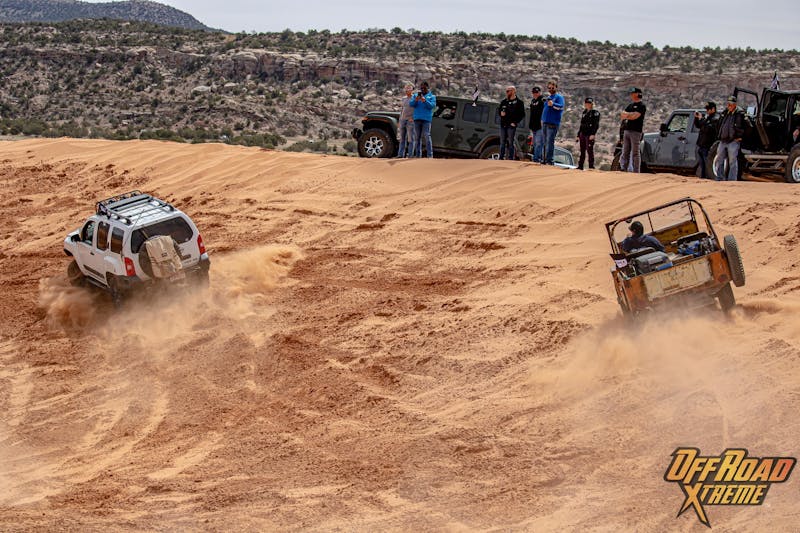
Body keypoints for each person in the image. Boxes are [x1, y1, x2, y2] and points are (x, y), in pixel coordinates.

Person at [714, 96, 745, 181]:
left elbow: (747, 127)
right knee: (719, 159)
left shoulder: (740, 114)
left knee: (732, 161)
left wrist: (740, 137)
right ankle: (719, 178)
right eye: (728, 103)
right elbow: (719, 124)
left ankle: (732, 180)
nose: (729, 105)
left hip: (733, 141)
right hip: (723, 140)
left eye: (730, 104)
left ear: (735, 104)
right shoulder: (725, 113)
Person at [619, 87, 647, 172]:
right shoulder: (630, 105)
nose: (631, 95)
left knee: (635, 152)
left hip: (636, 131)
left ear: (638, 94)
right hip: (627, 130)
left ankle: (636, 170)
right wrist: (630, 115)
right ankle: (624, 168)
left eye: (633, 93)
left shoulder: (642, 106)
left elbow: (636, 116)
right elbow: (622, 115)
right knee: (625, 151)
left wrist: (628, 115)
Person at [408, 81, 436, 158]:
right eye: (421, 88)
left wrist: (425, 101)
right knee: (417, 137)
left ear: (427, 88)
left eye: (424, 88)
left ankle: (430, 155)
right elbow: (411, 104)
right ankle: (418, 155)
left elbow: (432, 106)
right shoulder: (416, 95)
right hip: (417, 118)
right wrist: (416, 100)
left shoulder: (432, 96)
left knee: (427, 135)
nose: (422, 89)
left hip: (426, 119)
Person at [498, 86, 526, 160]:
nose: (507, 93)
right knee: (502, 142)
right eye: (506, 91)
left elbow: (522, 114)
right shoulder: (504, 101)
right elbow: (499, 111)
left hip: (511, 126)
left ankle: (510, 159)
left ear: (513, 91)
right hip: (503, 125)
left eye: (508, 91)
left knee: (511, 143)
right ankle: (501, 157)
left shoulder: (519, 103)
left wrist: (515, 122)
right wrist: (501, 113)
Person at [541, 80, 565, 165]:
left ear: (556, 87)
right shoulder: (548, 98)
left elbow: (561, 107)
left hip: (552, 124)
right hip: (545, 123)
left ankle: (549, 160)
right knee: (544, 142)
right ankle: (543, 159)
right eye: (549, 88)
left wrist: (553, 104)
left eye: (552, 87)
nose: (551, 89)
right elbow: (545, 109)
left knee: (549, 142)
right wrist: (542, 120)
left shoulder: (559, 97)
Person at [693, 101, 719, 179]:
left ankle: (707, 179)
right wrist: (696, 119)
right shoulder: (707, 118)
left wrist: (702, 119)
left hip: (708, 145)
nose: (707, 111)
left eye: (708, 109)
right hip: (701, 144)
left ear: (713, 109)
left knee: (707, 164)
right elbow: (699, 126)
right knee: (702, 165)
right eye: (706, 109)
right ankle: (703, 178)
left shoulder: (716, 119)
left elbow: (708, 129)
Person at [576, 97, 600, 170]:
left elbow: (596, 124)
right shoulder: (584, 112)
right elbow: (581, 124)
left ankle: (591, 166)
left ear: (592, 104)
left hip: (589, 134)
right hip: (583, 134)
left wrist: (593, 134)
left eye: (589, 103)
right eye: (586, 103)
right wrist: (578, 135)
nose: (588, 104)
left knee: (590, 150)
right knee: (582, 150)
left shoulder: (595, 112)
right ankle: (580, 166)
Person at [396, 83, 415, 158]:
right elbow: (402, 109)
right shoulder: (404, 98)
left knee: (410, 139)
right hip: (403, 120)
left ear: (412, 90)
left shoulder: (415, 98)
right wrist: (400, 119)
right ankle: (400, 155)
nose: (407, 90)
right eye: (406, 88)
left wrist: (413, 118)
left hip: (410, 121)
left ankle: (410, 155)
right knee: (402, 138)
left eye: (409, 88)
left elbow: (417, 109)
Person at [529, 86, 545, 163]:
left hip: (540, 125)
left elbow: (544, 112)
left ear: (539, 92)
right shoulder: (532, 101)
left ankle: (536, 159)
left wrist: (543, 121)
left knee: (539, 143)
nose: (535, 94)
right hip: (533, 125)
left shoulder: (542, 100)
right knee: (535, 143)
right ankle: (539, 158)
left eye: (537, 92)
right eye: (534, 92)